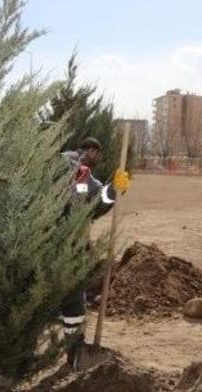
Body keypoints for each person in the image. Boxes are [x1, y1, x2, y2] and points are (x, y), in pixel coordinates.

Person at [60, 137, 130, 362]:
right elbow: (91, 201)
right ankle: (75, 353)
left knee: (71, 301)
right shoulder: (71, 165)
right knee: (71, 302)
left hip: (68, 246)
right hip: (55, 248)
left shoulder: (79, 172)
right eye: (96, 153)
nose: (98, 157)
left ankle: (75, 351)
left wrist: (113, 190)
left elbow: (92, 202)